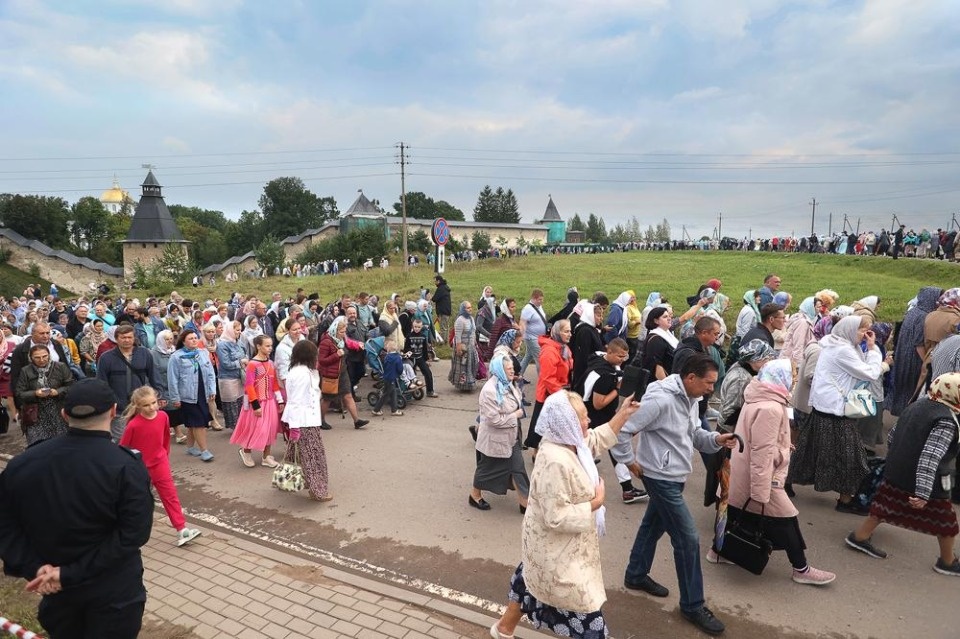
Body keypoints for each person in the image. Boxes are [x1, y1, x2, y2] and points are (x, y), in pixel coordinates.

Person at [0, 378, 154, 639]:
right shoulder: (125, 466)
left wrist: (35, 568)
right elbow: (134, 533)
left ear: (63, 414)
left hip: (59, 598)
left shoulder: (23, 464)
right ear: (114, 411)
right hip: (113, 594)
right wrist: (69, 574)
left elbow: (5, 525)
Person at [489, 391, 639, 639]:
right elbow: (556, 517)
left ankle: (503, 629)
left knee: (529, 579)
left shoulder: (570, 442)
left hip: (550, 547)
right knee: (588, 617)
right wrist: (596, 502)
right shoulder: (554, 461)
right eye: (583, 417)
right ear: (566, 423)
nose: (588, 421)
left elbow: (596, 438)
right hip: (559, 553)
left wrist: (623, 413)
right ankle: (504, 628)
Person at [612, 353, 738, 636]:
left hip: (675, 474)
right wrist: (628, 460)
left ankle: (635, 575)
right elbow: (622, 427)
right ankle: (693, 605)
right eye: (709, 383)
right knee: (688, 538)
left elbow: (693, 434)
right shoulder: (661, 399)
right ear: (690, 378)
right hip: (659, 477)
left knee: (652, 527)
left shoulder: (691, 399)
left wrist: (716, 440)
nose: (711, 389)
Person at [718, 360, 837, 585]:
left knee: (734, 511)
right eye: (791, 374)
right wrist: (761, 492)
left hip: (742, 471)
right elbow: (762, 452)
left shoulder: (758, 396)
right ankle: (801, 568)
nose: (793, 379)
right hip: (762, 477)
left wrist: (782, 444)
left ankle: (718, 551)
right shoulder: (771, 408)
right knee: (786, 520)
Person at [845, 373, 960, 574]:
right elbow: (931, 456)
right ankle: (947, 561)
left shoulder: (917, 405)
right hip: (927, 480)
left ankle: (859, 536)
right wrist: (923, 492)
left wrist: (897, 460)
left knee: (885, 505)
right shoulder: (946, 420)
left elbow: (893, 436)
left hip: (897, 470)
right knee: (945, 520)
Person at [789, 315, 890, 514]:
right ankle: (845, 500)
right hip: (835, 409)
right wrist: (873, 350)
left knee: (809, 450)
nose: (866, 334)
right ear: (850, 330)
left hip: (826, 406)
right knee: (850, 457)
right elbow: (869, 373)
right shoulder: (843, 349)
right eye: (862, 330)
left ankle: (784, 481)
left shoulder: (837, 344)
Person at [119, 386, 202, 547]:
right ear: (137, 406)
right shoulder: (133, 425)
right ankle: (129, 532)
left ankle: (181, 529)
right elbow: (124, 448)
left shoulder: (163, 416)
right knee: (137, 501)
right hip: (140, 468)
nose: (151, 407)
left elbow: (165, 438)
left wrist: (164, 455)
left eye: (153, 403)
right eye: (146, 405)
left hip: (160, 463)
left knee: (170, 496)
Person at [574, 337, 647, 503]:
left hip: (585, 410)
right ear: (610, 352)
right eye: (620, 357)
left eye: (625, 357)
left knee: (598, 448)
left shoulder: (599, 359)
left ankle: (625, 487)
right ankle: (627, 488)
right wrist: (617, 388)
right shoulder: (605, 376)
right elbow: (598, 404)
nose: (622, 361)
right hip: (595, 415)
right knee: (614, 447)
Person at [469, 355, 529, 512]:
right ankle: (474, 495)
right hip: (494, 439)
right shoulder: (489, 391)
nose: (512, 371)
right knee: (486, 469)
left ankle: (525, 503)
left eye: (512, 369)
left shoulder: (508, 384)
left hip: (510, 438)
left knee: (518, 468)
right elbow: (494, 420)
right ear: (500, 371)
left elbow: (516, 401)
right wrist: (515, 415)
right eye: (509, 369)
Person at [281, 340, 333, 502]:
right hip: (304, 421)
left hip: (306, 420)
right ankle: (317, 490)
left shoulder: (300, 371)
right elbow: (296, 401)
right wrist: (295, 427)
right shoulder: (302, 374)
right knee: (313, 458)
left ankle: (289, 482)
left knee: (298, 455)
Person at [96, 324, 159, 441]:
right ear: (116, 338)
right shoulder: (106, 358)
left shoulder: (144, 354)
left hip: (141, 406)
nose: (127, 340)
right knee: (121, 439)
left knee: (142, 438)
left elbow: (153, 376)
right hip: (119, 408)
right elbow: (101, 383)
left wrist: (158, 395)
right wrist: (110, 403)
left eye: (130, 337)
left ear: (134, 338)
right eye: (123, 337)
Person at [889, 286, 942, 416]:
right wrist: (926, 362)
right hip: (913, 360)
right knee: (911, 392)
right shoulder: (923, 316)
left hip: (903, 355)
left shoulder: (912, 312)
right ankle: (905, 421)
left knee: (902, 390)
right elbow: (918, 344)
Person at [231, 335, 283, 466]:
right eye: (267, 345)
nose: (270, 348)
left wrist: (280, 400)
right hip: (257, 403)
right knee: (254, 429)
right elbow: (249, 385)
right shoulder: (252, 364)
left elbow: (274, 383)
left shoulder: (270, 363)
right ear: (258, 346)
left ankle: (266, 456)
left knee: (269, 429)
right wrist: (255, 405)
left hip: (270, 401)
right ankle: (246, 451)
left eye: (271, 345)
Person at [523, 320, 573, 451]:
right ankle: (537, 452)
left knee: (549, 426)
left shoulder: (563, 347)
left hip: (559, 392)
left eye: (570, 331)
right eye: (566, 331)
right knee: (542, 428)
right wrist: (561, 393)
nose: (570, 334)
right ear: (557, 332)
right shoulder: (549, 351)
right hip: (549, 395)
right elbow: (548, 378)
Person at [168, 330, 218, 462]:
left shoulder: (203, 353)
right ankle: (204, 450)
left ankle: (190, 447)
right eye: (190, 338)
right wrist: (175, 398)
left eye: (196, 338)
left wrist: (212, 389)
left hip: (203, 392)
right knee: (199, 423)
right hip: (188, 395)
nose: (194, 340)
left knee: (193, 424)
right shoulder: (176, 357)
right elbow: (172, 379)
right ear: (183, 341)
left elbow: (211, 373)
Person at [15, 344, 73, 446]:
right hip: (36, 415)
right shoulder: (26, 371)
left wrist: (57, 391)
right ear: (31, 358)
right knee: (38, 446)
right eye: (37, 357)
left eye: (44, 356)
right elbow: (19, 393)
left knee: (62, 444)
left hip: (58, 412)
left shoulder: (60, 367)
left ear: (49, 355)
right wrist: (35, 393)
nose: (42, 360)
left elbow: (71, 386)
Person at [317, 317, 369, 429]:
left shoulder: (341, 340)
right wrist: (336, 355)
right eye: (341, 332)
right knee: (327, 399)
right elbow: (322, 361)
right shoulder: (326, 342)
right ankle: (320, 420)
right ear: (335, 330)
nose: (343, 334)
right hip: (330, 375)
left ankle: (356, 421)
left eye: (344, 331)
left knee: (348, 396)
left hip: (342, 373)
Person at [152, 329, 187, 444]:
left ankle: (169, 429)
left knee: (173, 407)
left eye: (171, 339)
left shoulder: (174, 351)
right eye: (166, 339)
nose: (169, 341)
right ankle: (177, 432)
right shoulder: (154, 353)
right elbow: (154, 371)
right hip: (162, 384)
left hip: (176, 383)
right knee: (169, 408)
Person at [216, 320, 247, 430]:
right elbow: (226, 363)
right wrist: (241, 362)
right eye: (237, 330)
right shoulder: (222, 344)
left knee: (240, 401)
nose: (239, 332)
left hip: (240, 376)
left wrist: (244, 360)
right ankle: (235, 426)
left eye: (240, 330)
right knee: (231, 404)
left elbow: (245, 353)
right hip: (228, 378)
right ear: (230, 330)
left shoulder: (238, 341)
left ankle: (241, 425)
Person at [641, 306, 678, 380]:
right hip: (661, 385)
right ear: (656, 321)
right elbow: (657, 368)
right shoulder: (656, 340)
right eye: (665, 317)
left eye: (669, 316)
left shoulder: (667, 334)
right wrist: (667, 386)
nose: (669, 318)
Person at [519, 289, 549, 380]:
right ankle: (542, 381)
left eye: (542, 299)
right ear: (533, 298)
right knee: (540, 359)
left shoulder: (539, 306)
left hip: (539, 338)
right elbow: (522, 323)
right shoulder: (528, 309)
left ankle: (518, 375)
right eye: (539, 299)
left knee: (528, 356)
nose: (541, 301)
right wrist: (521, 336)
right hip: (532, 338)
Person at [449, 301, 479, 392]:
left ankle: (470, 383)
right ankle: (463, 385)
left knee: (472, 365)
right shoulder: (460, 320)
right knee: (462, 368)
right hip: (463, 348)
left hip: (471, 346)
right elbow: (458, 336)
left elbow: (473, 332)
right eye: (468, 308)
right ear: (463, 309)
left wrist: (475, 343)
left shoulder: (471, 318)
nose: (470, 309)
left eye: (470, 307)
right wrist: (458, 349)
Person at [406, 317, 437, 398]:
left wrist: (426, 360)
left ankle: (430, 391)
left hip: (420, 358)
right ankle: (409, 392)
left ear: (421, 327)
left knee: (428, 373)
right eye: (415, 326)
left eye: (419, 327)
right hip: (411, 359)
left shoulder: (423, 336)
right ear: (413, 326)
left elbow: (424, 350)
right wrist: (409, 352)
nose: (417, 328)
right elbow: (406, 348)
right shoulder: (409, 336)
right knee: (410, 375)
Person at [372, 339, 404, 416]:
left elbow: (384, 366)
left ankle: (394, 410)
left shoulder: (387, 357)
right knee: (386, 394)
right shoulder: (397, 358)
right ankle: (376, 409)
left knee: (393, 393)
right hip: (392, 378)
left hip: (386, 377)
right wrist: (399, 374)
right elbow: (400, 369)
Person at [433, 275, 452, 339]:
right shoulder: (445, 287)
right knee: (446, 327)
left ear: (438, 281)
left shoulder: (441, 288)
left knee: (443, 327)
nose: (434, 283)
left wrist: (431, 298)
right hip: (447, 310)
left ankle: (442, 342)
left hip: (443, 311)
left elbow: (434, 298)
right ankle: (446, 341)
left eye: (435, 281)